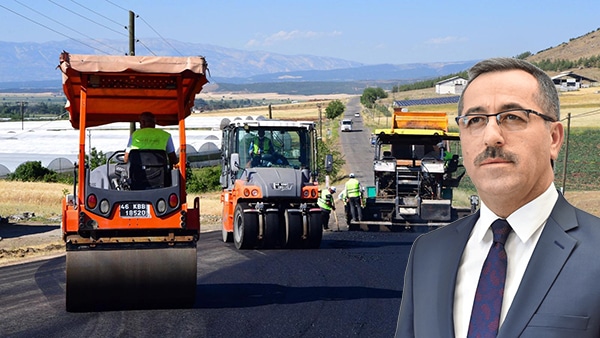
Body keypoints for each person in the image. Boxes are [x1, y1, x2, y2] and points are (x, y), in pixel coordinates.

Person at [396, 57, 600, 337]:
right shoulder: (427, 254)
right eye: (476, 120)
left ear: (553, 138)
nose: (491, 136)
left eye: (513, 117)